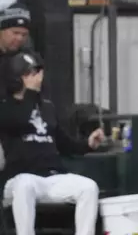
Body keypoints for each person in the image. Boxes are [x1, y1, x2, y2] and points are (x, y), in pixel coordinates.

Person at [0, 51, 105, 235]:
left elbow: (64, 143)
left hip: (50, 178)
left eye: (37, 73)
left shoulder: (47, 107)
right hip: (18, 178)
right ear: (16, 79)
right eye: (30, 74)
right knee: (25, 184)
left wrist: (88, 144)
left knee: (88, 187)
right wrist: (31, 93)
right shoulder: (5, 108)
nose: (37, 78)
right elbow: (21, 121)